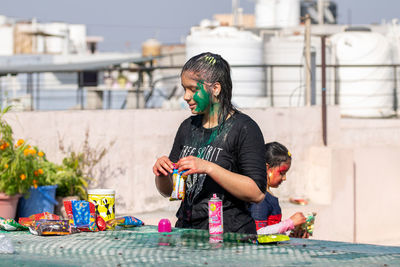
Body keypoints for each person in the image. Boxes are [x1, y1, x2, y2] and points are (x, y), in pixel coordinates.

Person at [153, 52, 267, 234]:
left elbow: (257, 193)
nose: (185, 96)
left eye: (192, 89)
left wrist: (208, 167)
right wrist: (162, 173)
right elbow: (170, 191)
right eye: (184, 89)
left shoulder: (244, 128)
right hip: (187, 235)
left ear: (215, 88)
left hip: (231, 239)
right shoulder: (187, 127)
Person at [250, 142, 309, 237]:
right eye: (282, 173)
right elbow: (258, 233)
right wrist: (289, 223)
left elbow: (271, 232)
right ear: (266, 168)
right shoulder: (260, 198)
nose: (284, 178)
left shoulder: (268, 197)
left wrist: (292, 234)